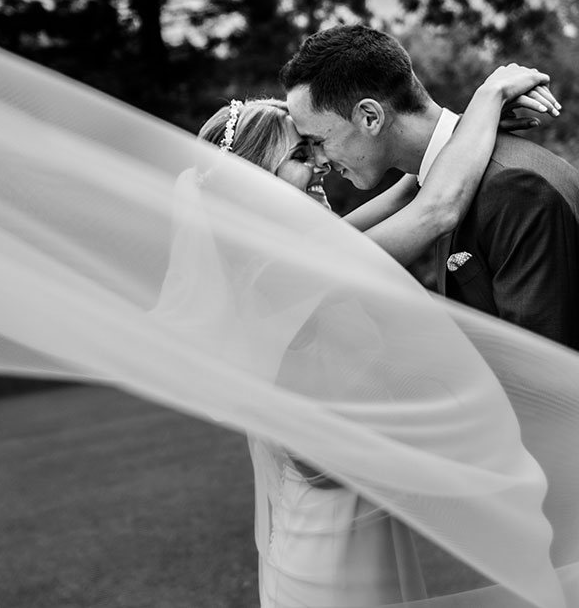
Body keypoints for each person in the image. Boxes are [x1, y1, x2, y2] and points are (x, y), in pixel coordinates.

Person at [193, 64, 558, 607]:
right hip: (327, 547)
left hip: (354, 523)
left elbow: (415, 186)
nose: (320, 162)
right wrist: (490, 92)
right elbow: (436, 210)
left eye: (314, 147)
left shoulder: (290, 255)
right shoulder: (281, 273)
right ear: (254, 184)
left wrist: (455, 128)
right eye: (299, 156)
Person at [280, 24, 579, 351]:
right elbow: (434, 209)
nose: (319, 161)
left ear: (369, 117)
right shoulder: (449, 188)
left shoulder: (513, 187)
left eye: (318, 141)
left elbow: (543, 371)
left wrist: (469, 124)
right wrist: (485, 100)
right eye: (303, 150)